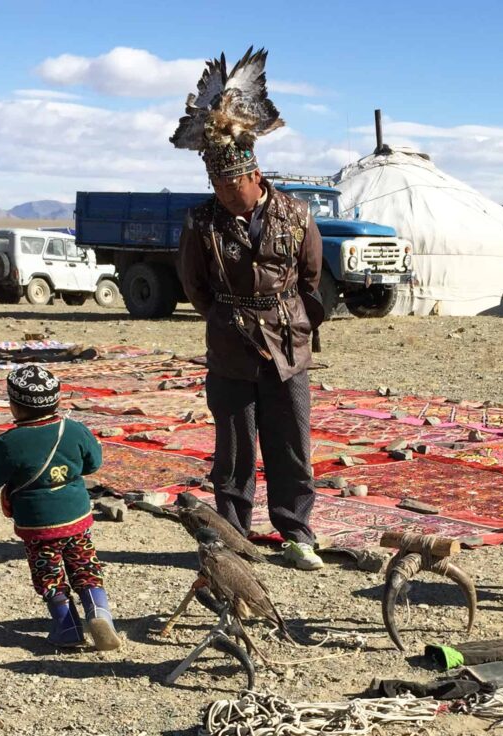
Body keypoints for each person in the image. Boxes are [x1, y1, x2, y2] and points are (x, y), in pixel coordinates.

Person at [172, 48, 326, 571]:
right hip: (231, 349)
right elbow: (195, 285)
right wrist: (229, 317)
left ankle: (297, 533)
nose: (224, 194)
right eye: (216, 185)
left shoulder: (297, 215)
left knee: (291, 444)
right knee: (233, 450)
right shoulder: (202, 221)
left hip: (288, 348)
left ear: (254, 175)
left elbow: (309, 278)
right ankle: (232, 537)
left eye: (231, 185)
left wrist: (294, 323)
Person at [0, 365, 121, 650]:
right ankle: (100, 613)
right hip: (77, 517)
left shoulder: (7, 444)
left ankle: (68, 628)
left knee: (48, 572)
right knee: (84, 563)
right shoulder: (75, 430)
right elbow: (93, 464)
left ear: (15, 406)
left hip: (38, 525)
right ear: (57, 400)